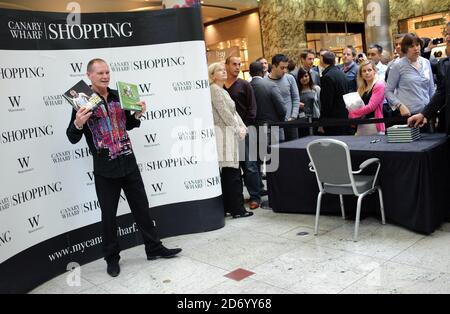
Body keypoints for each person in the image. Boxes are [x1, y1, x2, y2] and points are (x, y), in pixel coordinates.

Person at [66, 58, 181, 278]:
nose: (105, 76)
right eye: (100, 73)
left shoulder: (120, 95)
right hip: (105, 169)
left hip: (128, 162)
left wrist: (137, 114)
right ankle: (112, 259)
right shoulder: (82, 101)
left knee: (142, 208)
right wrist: (78, 123)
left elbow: (127, 124)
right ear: (88, 75)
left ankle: (154, 248)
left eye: (107, 72)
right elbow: (72, 137)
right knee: (108, 216)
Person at [209, 62, 253, 219]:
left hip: (230, 133)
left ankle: (232, 207)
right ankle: (237, 209)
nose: (223, 72)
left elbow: (234, 113)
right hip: (224, 134)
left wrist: (242, 126)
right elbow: (225, 113)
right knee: (231, 173)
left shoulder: (222, 90)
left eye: (223, 69)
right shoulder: (214, 90)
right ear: (212, 75)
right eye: (219, 70)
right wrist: (237, 128)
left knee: (232, 172)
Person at [408, 23, 450, 133]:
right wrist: (423, 114)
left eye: (449, 34)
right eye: (446, 33)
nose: (447, 37)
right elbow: (442, 92)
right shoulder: (445, 63)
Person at [385, 33, 435, 118]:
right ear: (405, 48)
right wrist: (399, 105)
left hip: (425, 113)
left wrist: (433, 108)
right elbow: (388, 91)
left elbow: (431, 88)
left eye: (417, 45)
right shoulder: (397, 66)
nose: (416, 48)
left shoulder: (426, 62)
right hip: (407, 114)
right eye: (411, 46)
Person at [348, 60, 386, 135]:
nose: (367, 73)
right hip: (361, 123)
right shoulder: (361, 87)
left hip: (374, 123)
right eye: (364, 71)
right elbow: (357, 105)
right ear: (361, 74)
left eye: (369, 70)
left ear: (374, 71)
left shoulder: (379, 85)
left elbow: (371, 106)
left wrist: (354, 113)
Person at [320, 51, 351, 135]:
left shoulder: (327, 77)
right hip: (344, 115)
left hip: (333, 119)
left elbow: (326, 102)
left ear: (322, 60)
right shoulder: (341, 73)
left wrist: (322, 121)